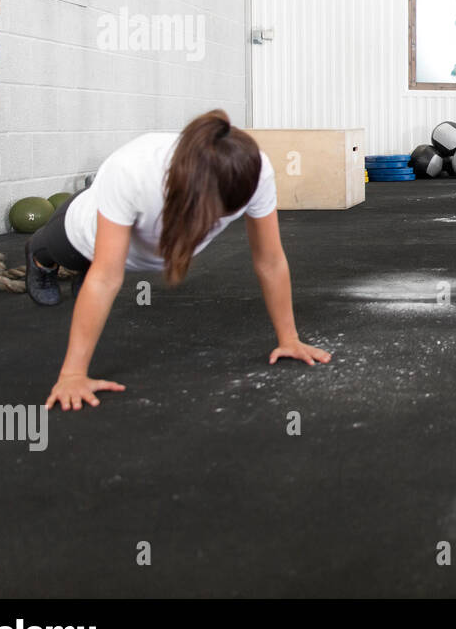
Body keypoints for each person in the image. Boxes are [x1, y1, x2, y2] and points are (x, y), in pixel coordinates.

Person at [25, 111, 332, 411]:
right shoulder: (131, 169)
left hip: (131, 249)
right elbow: (106, 277)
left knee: (95, 270)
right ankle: (39, 260)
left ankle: (82, 269)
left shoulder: (253, 172)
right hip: (85, 233)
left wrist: (289, 338)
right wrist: (72, 375)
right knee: (62, 252)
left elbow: (270, 259)